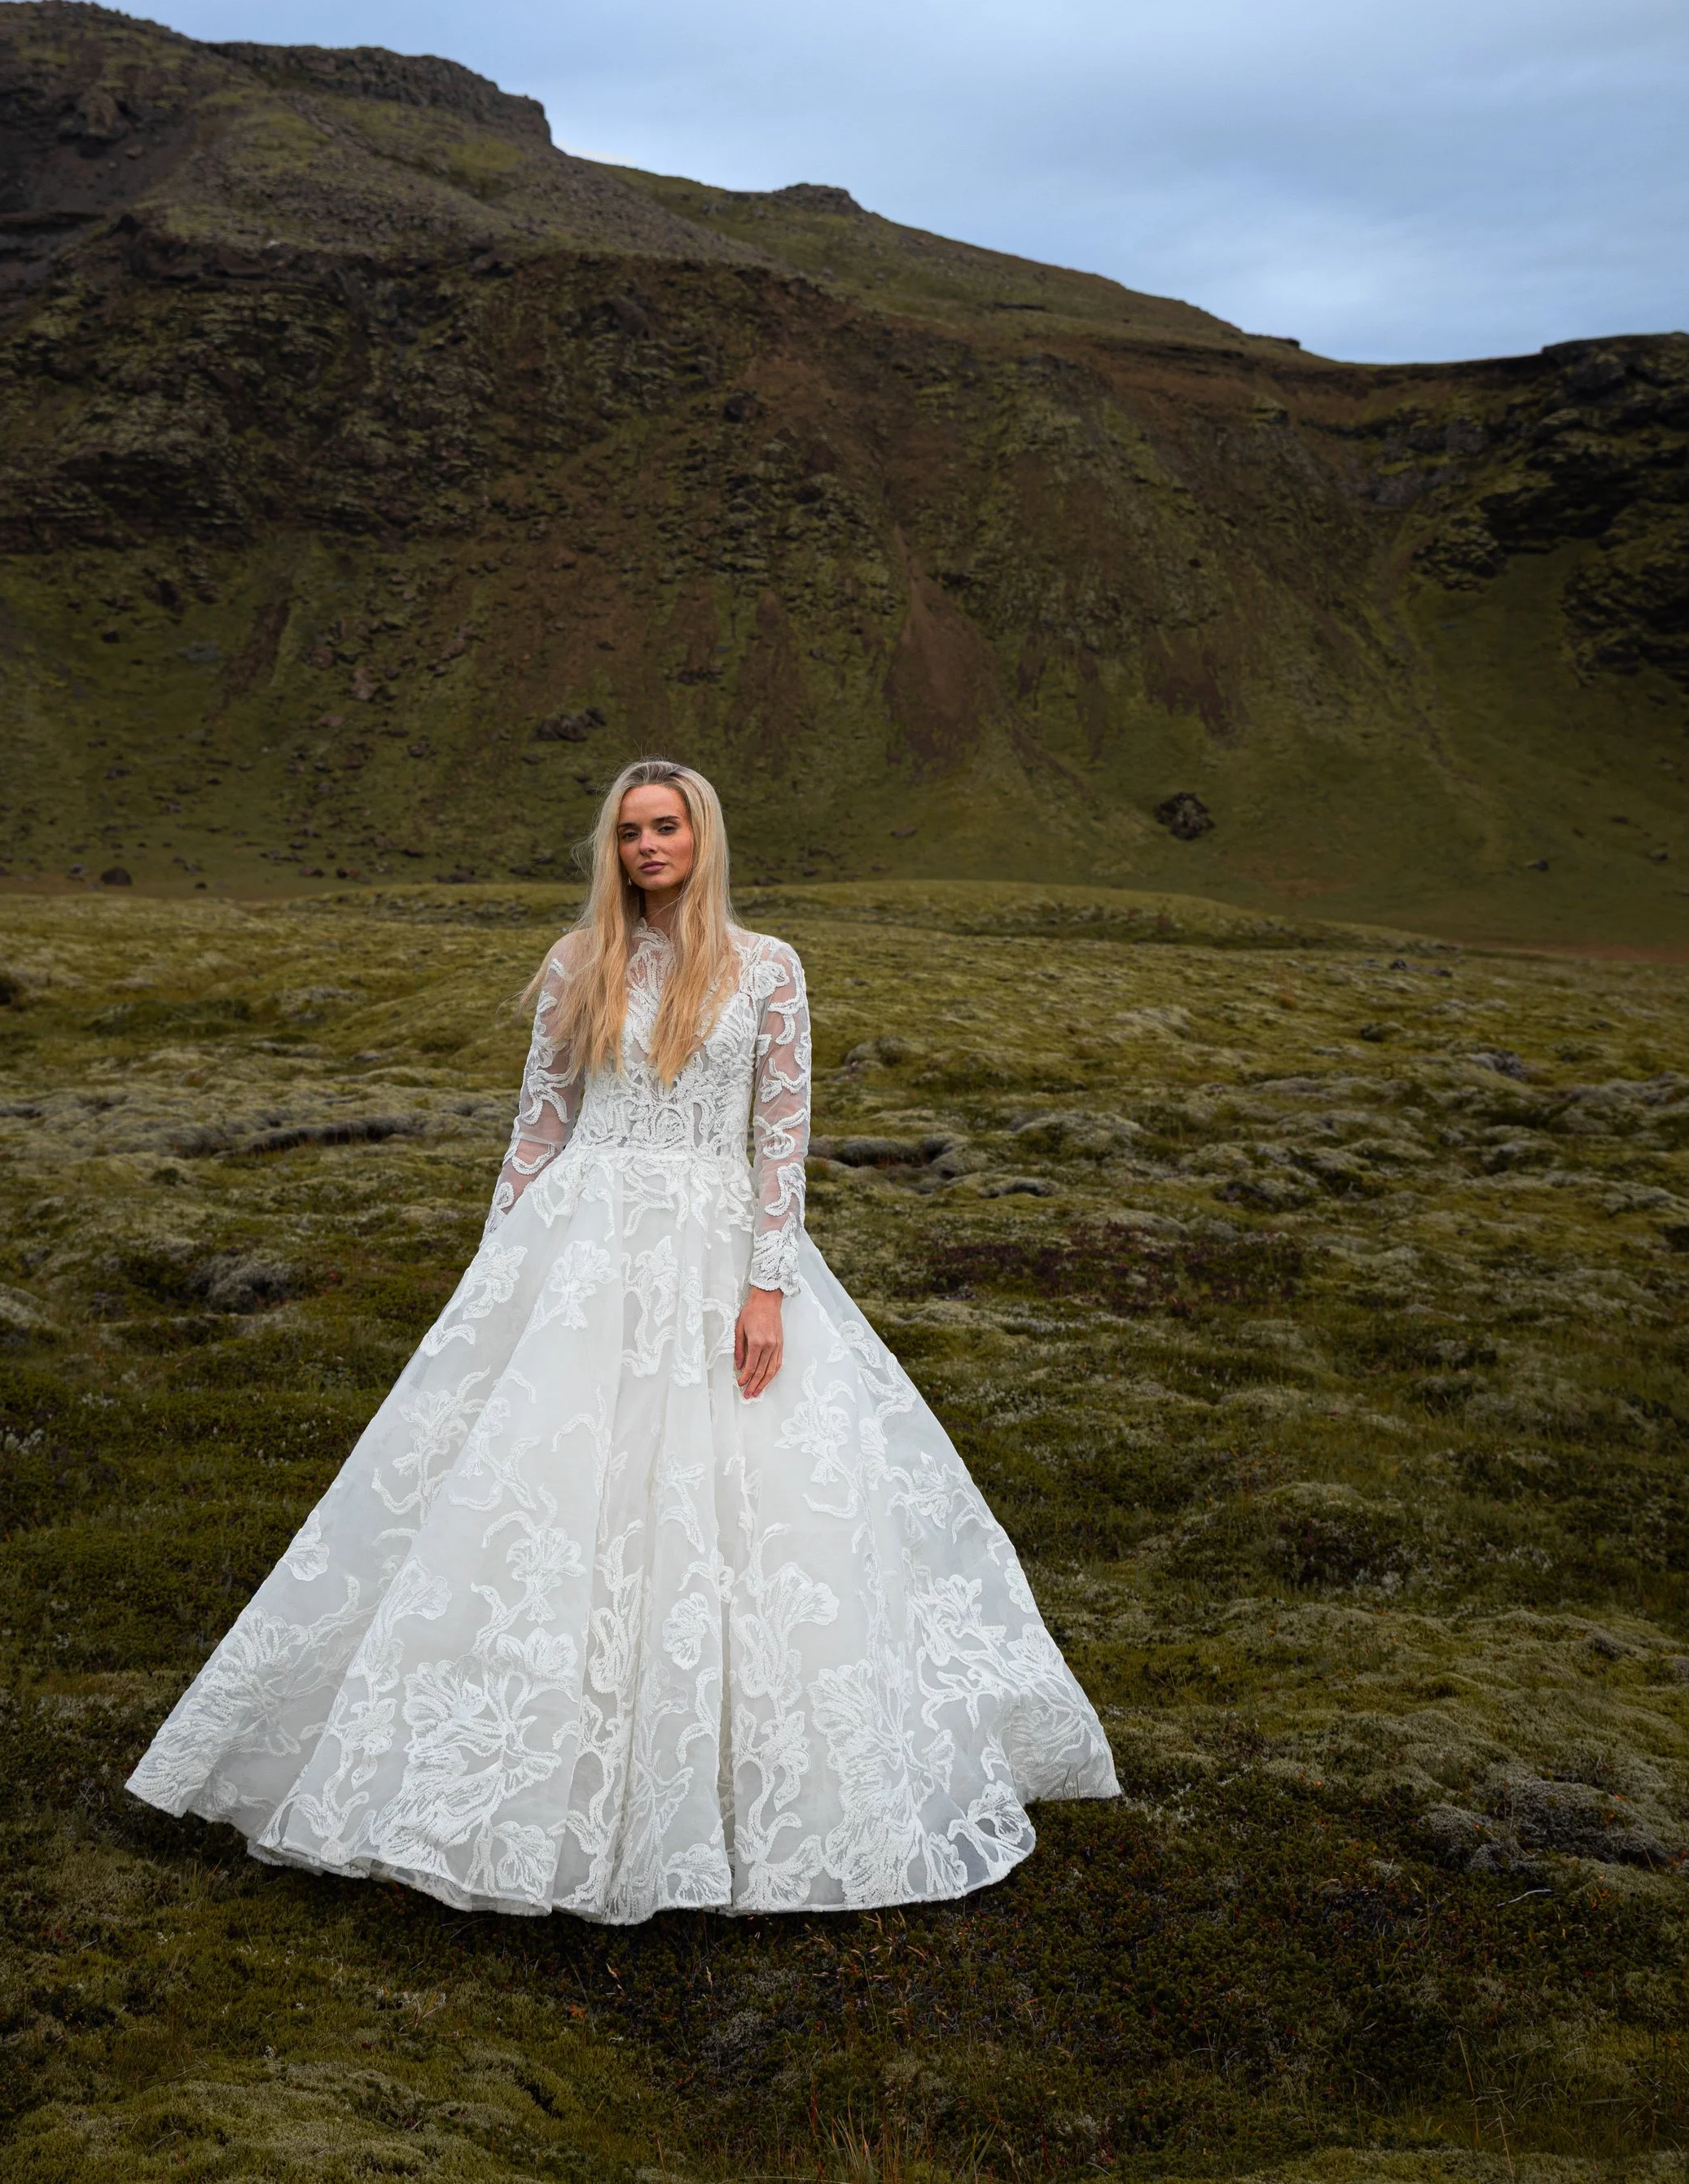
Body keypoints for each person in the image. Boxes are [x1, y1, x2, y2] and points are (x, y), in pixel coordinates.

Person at [127, 758, 1116, 1919]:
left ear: (703, 838)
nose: (649, 847)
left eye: (668, 827)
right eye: (631, 831)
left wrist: (767, 1287)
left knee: (741, 1504)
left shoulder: (770, 970)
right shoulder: (577, 961)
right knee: (537, 1498)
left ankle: (720, 1786)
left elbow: (780, 1143)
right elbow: (536, 1127)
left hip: (709, 1242)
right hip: (578, 1248)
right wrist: (501, 1267)